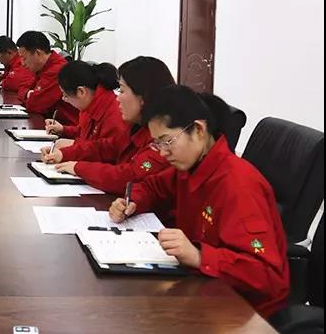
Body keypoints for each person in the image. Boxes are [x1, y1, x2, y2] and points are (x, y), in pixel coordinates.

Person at [109, 85, 289, 318]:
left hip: (245, 312)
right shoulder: (191, 166)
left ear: (199, 130)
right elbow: (154, 187)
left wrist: (199, 256)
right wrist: (132, 201)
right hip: (204, 285)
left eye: (167, 141)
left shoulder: (239, 186)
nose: (162, 153)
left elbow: (265, 275)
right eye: (157, 144)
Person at [44, 56, 174, 194]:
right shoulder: (138, 127)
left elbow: (129, 176)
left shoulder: (165, 140)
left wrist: (78, 168)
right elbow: (106, 147)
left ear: (143, 97)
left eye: (122, 91)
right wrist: (64, 154)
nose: (117, 98)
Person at [42, 60, 128, 155]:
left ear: (81, 92)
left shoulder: (115, 115)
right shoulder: (91, 104)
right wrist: (63, 130)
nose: (64, 99)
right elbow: (85, 133)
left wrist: (73, 145)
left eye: (65, 95)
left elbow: (109, 153)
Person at [15, 31, 78, 125]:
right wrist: (28, 94)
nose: (22, 64)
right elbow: (21, 88)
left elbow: (35, 105)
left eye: (24, 58)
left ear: (37, 53)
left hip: (67, 127)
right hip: (53, 123)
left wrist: (29, 95)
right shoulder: (42, 67)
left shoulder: (57, 70)